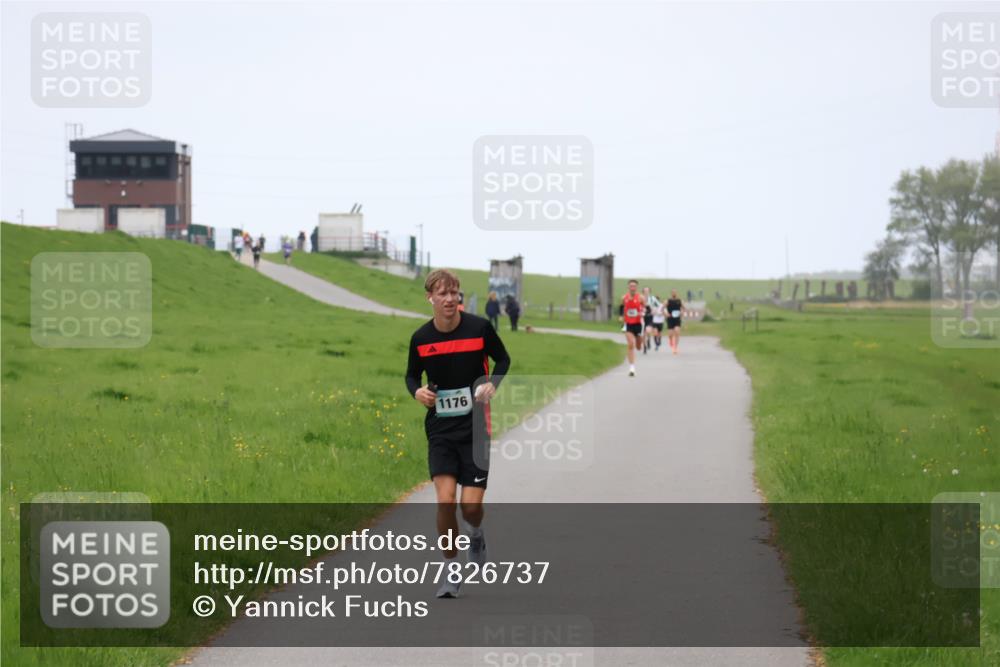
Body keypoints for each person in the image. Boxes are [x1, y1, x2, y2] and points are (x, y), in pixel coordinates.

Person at [405, 269, 511, 599]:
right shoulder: (421, 338)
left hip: (476, 427)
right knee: (446, 500)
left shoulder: (479, 328)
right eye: (443, 294)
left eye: (454, 293)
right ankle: (451, 569)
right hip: (440, 429)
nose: (450, 299)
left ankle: (475, 534)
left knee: (470, 508)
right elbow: (411, 376)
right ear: (430, 298)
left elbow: (503, 359)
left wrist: (492, 384)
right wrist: (417, 392)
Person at [620, 280, 645, 376]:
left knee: (638, 347)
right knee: (630, 344)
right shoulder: (624, 297)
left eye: (634, 286)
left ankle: (640, 343)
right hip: (628, 324)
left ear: (637, 287)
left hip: (638, 323)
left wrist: (643, 312)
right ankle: (632, 368)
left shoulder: (641, 298)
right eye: (631, 286)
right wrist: (621, 316)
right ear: (628, 287)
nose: (632, 288)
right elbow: (621, 307)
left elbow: (646, 308)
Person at [641, 287, 661, 354]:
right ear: (643, 291)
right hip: (642, 317)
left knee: (648, 330)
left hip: (650, 317)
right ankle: (645, 347)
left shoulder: (652, 298)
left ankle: (648, 339)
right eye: (645, 291)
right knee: (643, 334)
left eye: (647, 291)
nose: (646, 292)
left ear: (649, 292)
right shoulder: (640, 298)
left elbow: (658, 305)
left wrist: (654, 310)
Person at [666, 289, 683, 355]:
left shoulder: (679, 300)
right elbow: (662, 308)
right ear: (671, 293)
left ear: (676, 293)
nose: (674, 293)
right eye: (673, 292)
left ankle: (675, 348)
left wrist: (681, 312)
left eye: (675, 292)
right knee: (670, 334)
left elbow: (683, 308)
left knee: (677, 332)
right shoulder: (668, 301)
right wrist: (666, 314)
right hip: (670, 319)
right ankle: (670, 340)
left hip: (677, 319)